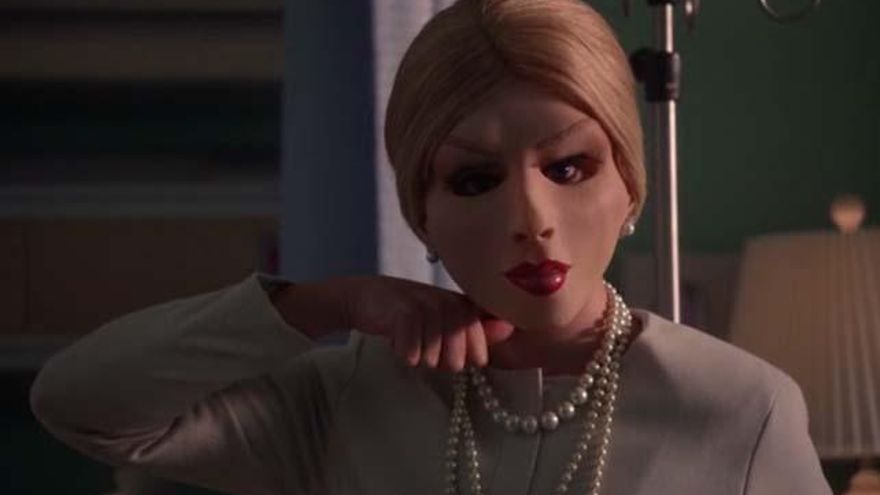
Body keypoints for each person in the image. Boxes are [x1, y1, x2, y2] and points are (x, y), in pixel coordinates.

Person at [30, 0, 831, 493]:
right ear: (423, 214)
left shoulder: (741, 409)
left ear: (631, 184)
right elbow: (80, 404)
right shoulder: (349, 396)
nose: (532, 218)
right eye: (475, 179)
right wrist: (325, 303)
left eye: (568, 166)